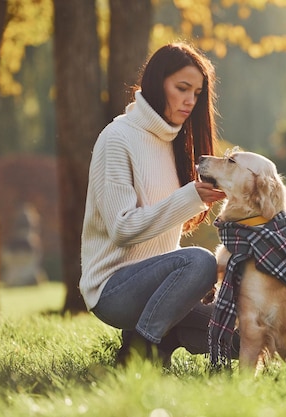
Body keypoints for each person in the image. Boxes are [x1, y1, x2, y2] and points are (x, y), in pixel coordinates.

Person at [80, 42, 234, 366]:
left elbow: (164, 246)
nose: (190, 100)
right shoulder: (117, 138)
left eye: (196, 92)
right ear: (156, 82)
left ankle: (165, 336)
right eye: (181, 88)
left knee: (240, 332)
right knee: (200, 262)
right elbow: (121, 228)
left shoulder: (175, 142)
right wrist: (190, 197)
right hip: (113, 289)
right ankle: (138, 351)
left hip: (160, 288)